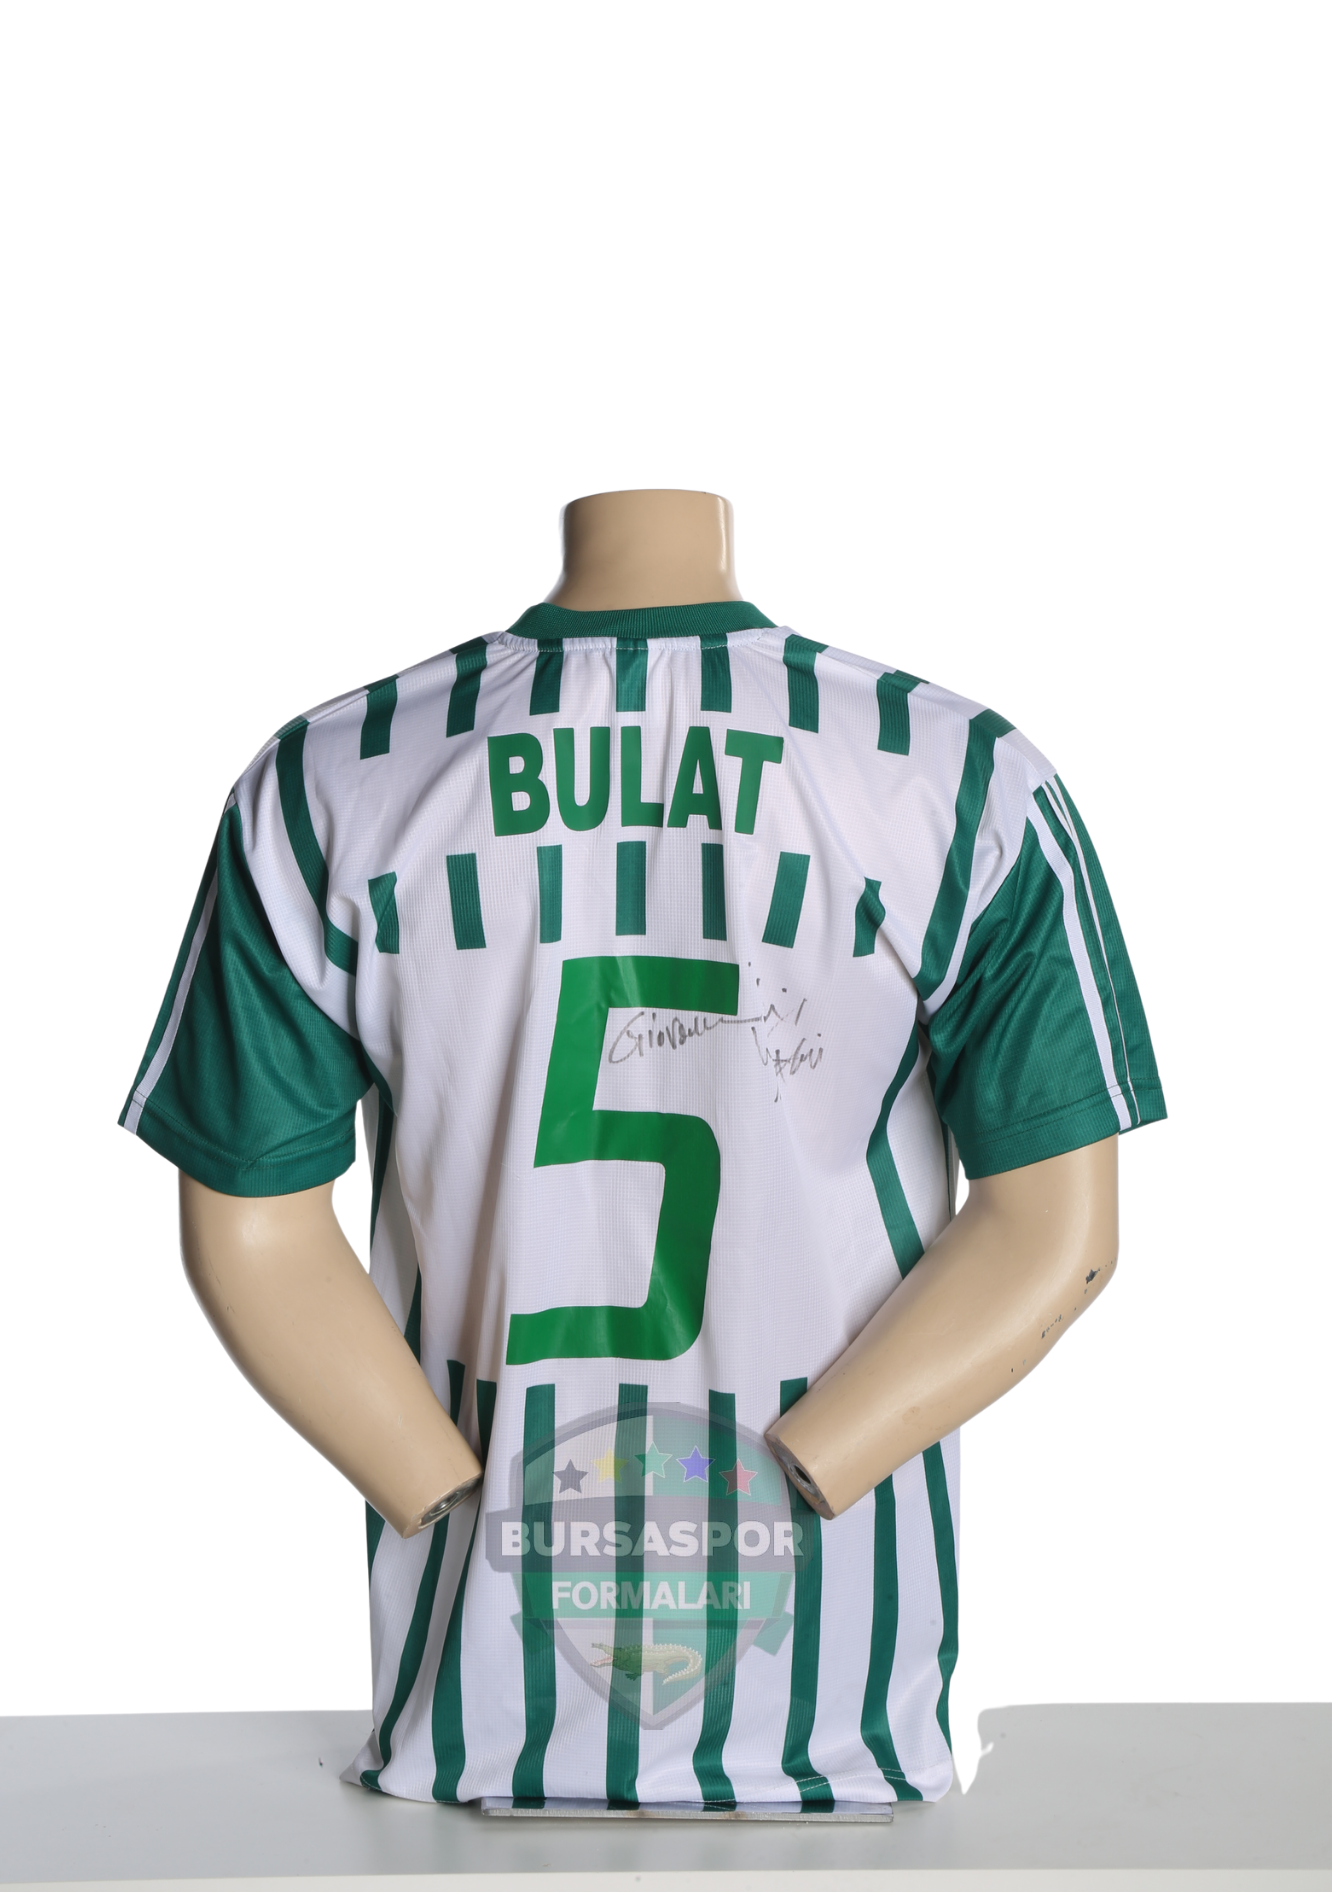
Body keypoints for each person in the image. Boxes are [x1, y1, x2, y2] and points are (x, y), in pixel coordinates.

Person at [121, 489, 1164, 1811]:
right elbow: (1059, 1231)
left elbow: (249, 1218)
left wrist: (435, 1481)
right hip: (834, 1693)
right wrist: (827, 1453)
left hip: (481, 1687)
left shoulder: (331, 776)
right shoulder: (960, 776)